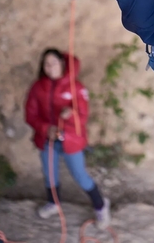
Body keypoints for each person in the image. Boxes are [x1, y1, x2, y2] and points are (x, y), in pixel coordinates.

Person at [25, 48, 111, 229]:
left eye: (54, 63)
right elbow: (30, 115)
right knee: (49, 175)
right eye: (46, 64)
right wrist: (45, 128)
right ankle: (54, 203)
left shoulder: (76, 87)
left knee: (80, 175)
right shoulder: (37, 87)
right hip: (47, 138)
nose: (50, 67)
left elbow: (83, 117)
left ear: (62, 64)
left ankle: (101, 205)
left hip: (71, 139)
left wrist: (70, 114)